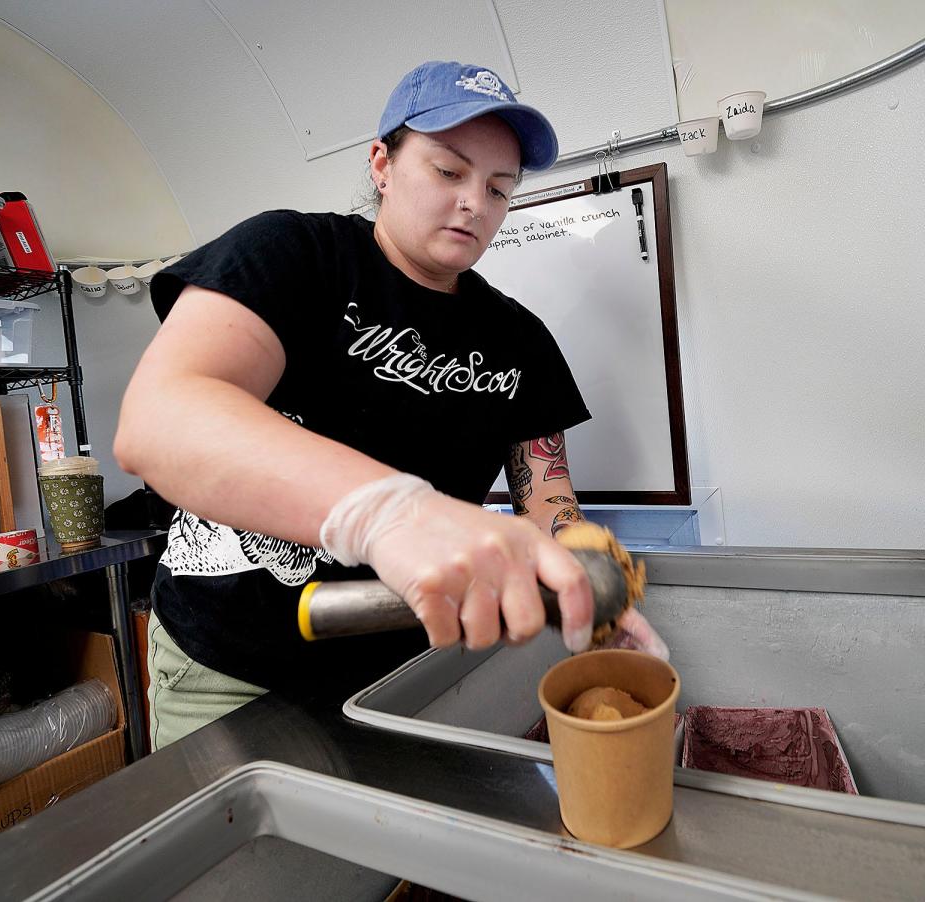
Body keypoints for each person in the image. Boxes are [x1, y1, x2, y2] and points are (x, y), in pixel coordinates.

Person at [115, 60, 657, 751]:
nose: (475, 204)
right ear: (382, 163)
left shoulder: (519, 341)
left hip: (403, 672)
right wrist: (393, 511)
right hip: (231, 669)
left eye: (499, 188)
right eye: (449, 172)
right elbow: (161, 418)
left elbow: (547, 502)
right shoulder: (294, 256)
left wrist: (588, 583)